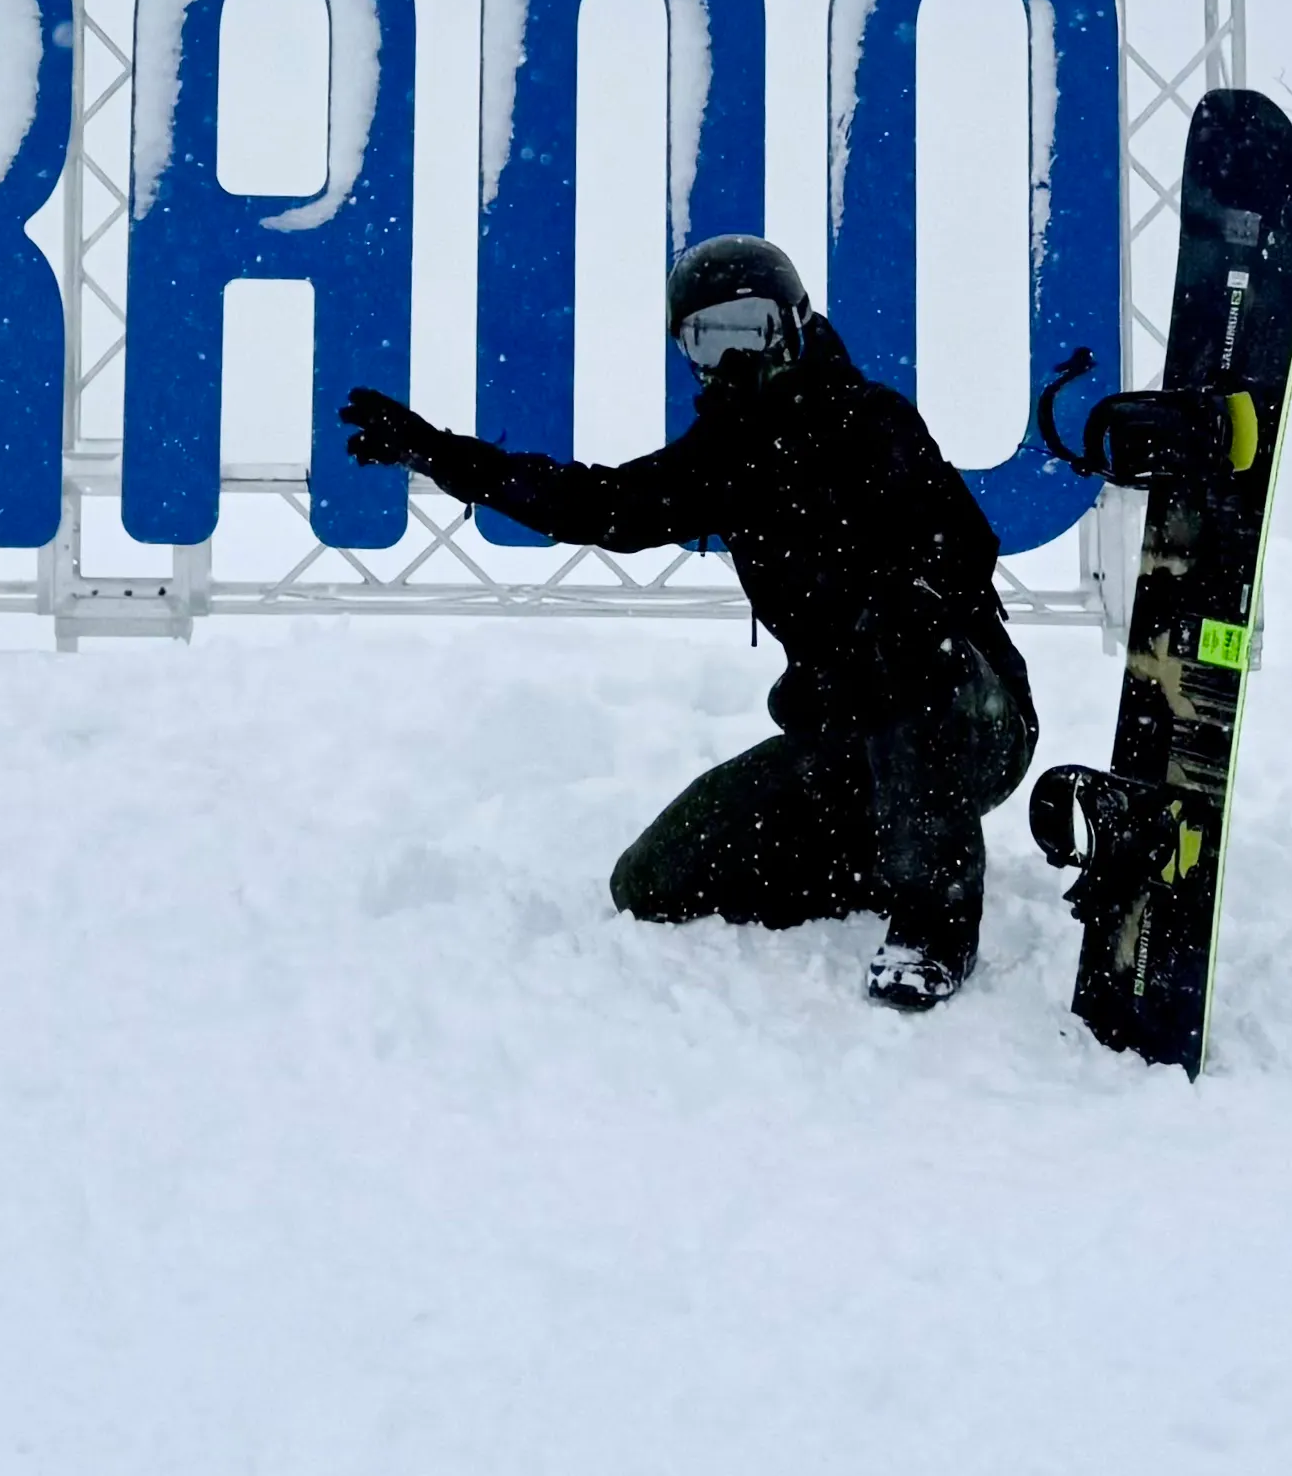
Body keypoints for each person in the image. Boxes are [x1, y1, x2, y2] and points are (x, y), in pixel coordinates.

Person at [339, 234, 1038, 1011]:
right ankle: (884, 851)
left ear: (797, 323)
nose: (737, 358)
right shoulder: (727, 461)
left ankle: (935, 923)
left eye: (753, 327)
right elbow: (598, 505)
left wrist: (897, 585)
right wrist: (448, 457)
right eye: (710, 338)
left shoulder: (872, 423)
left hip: (969, 720)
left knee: (905, 627)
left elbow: (964, 551)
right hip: (848, 741)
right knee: (652, 884)